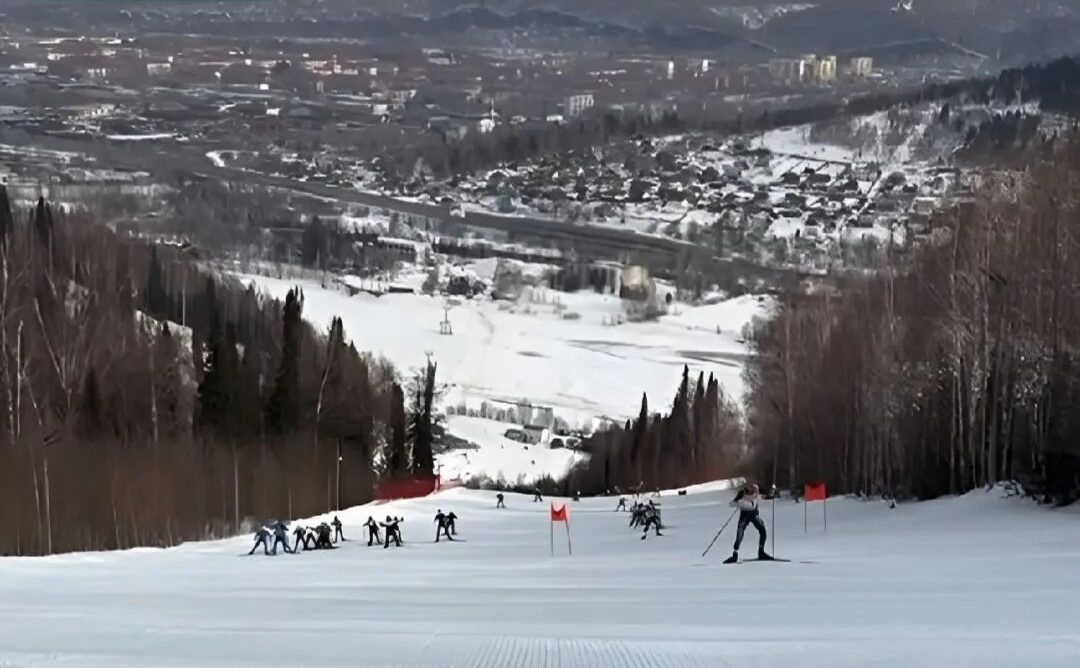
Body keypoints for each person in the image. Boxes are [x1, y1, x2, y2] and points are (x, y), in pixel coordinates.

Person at [724, 483, 772, 563]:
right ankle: (735, 554)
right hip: (745, 516)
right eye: (755, 491)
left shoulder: (756, 497)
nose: (756, 492)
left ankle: (761, 552)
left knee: (762, 530)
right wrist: (737, 499)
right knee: (740, 533)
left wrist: (772, 495)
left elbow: (764, 497)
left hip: (753, 515)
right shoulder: (744, 500)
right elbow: (731, 504)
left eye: (757, 490)